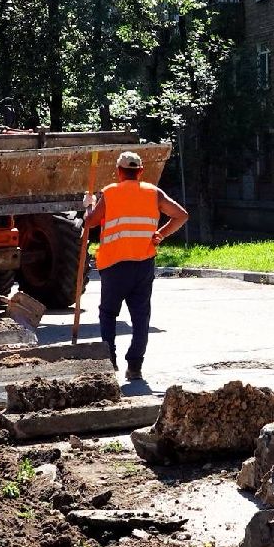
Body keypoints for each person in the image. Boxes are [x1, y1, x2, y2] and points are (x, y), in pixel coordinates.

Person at [83, 151, 188, 382]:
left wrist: (88, 207)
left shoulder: (110, 193)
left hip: (114, 265)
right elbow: (181, 215)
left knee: (108, 314)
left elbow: (89, 224)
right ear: (140, 171)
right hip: (143, 264)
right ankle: (135, 367)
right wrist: (161, 233)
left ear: (119, 172)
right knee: (141, 317)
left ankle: (108, 361)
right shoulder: (154, 193)